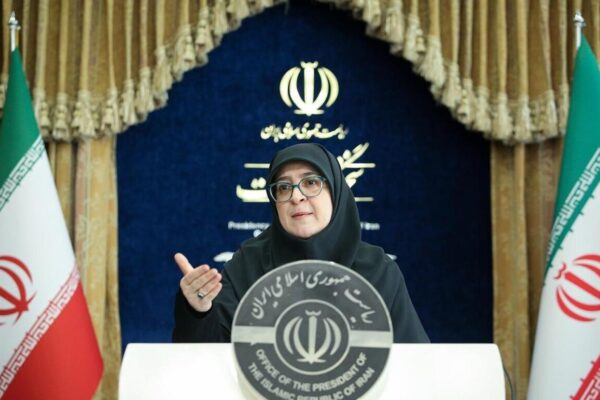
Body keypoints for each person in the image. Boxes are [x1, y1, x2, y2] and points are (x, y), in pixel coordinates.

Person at [172, 143, 429, 343]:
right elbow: (213, 361)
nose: (296, 197)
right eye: (283, 187)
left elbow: (414, 364)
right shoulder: (247, 264)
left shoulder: (378, 270)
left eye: (311, 182)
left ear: (336, 192)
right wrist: (198, 311)